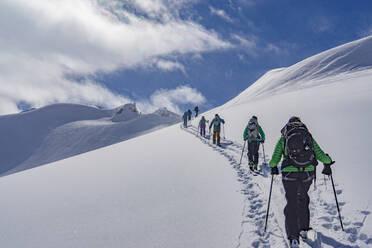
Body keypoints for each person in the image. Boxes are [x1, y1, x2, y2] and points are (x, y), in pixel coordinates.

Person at [269, 116, 334, 248]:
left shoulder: (284, 137)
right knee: (303, 198)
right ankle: (304, 230)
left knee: (291, 202)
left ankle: (294, 238)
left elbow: (274, 159)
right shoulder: (307, 135)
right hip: (307, 172)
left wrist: (273, 166)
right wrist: (328, 161)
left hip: (289, 174)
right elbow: (319, 153)